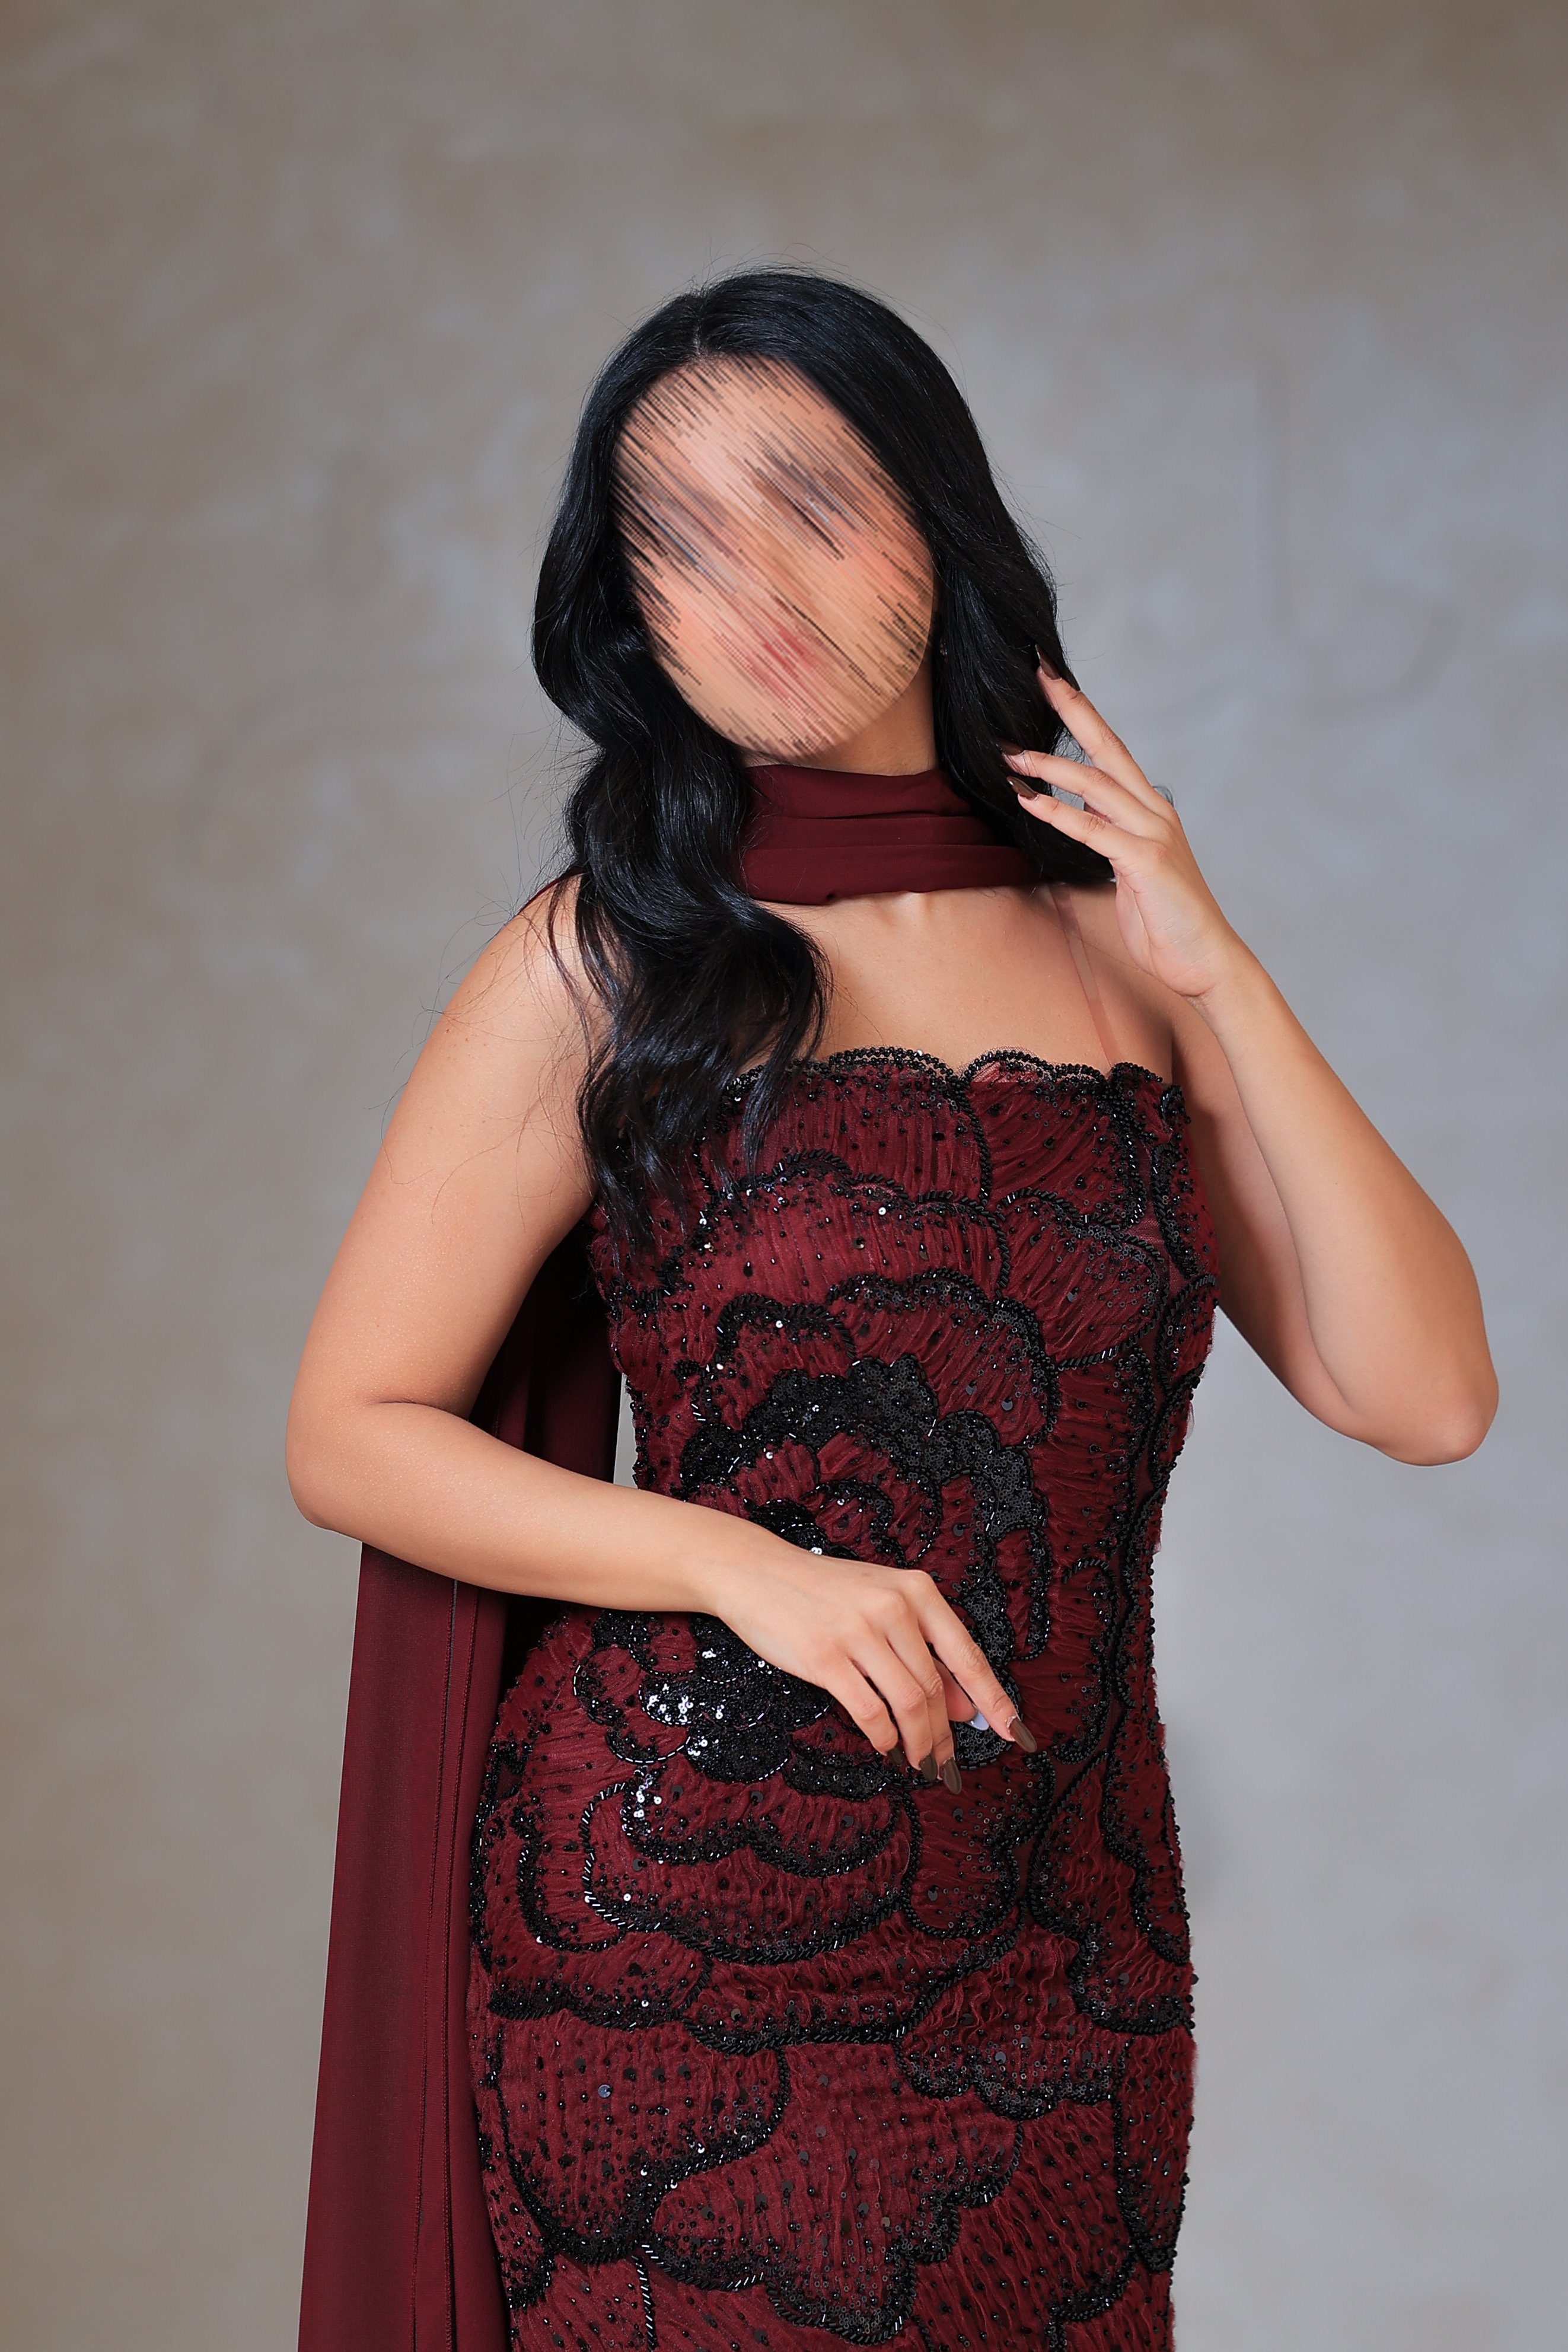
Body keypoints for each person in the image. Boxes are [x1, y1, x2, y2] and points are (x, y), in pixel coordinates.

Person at [286, 270, 1496, 2352]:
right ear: (630, 615)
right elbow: (350, 1431)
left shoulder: (1122, 963)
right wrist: (737, 1566)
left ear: (935, 523)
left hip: (1069, 1959)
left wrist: (1217, 973)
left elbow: (1425, 1395)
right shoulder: (604, 963)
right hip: (680, 1947)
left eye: (808, 506)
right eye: (677, 544)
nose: (750, 590)